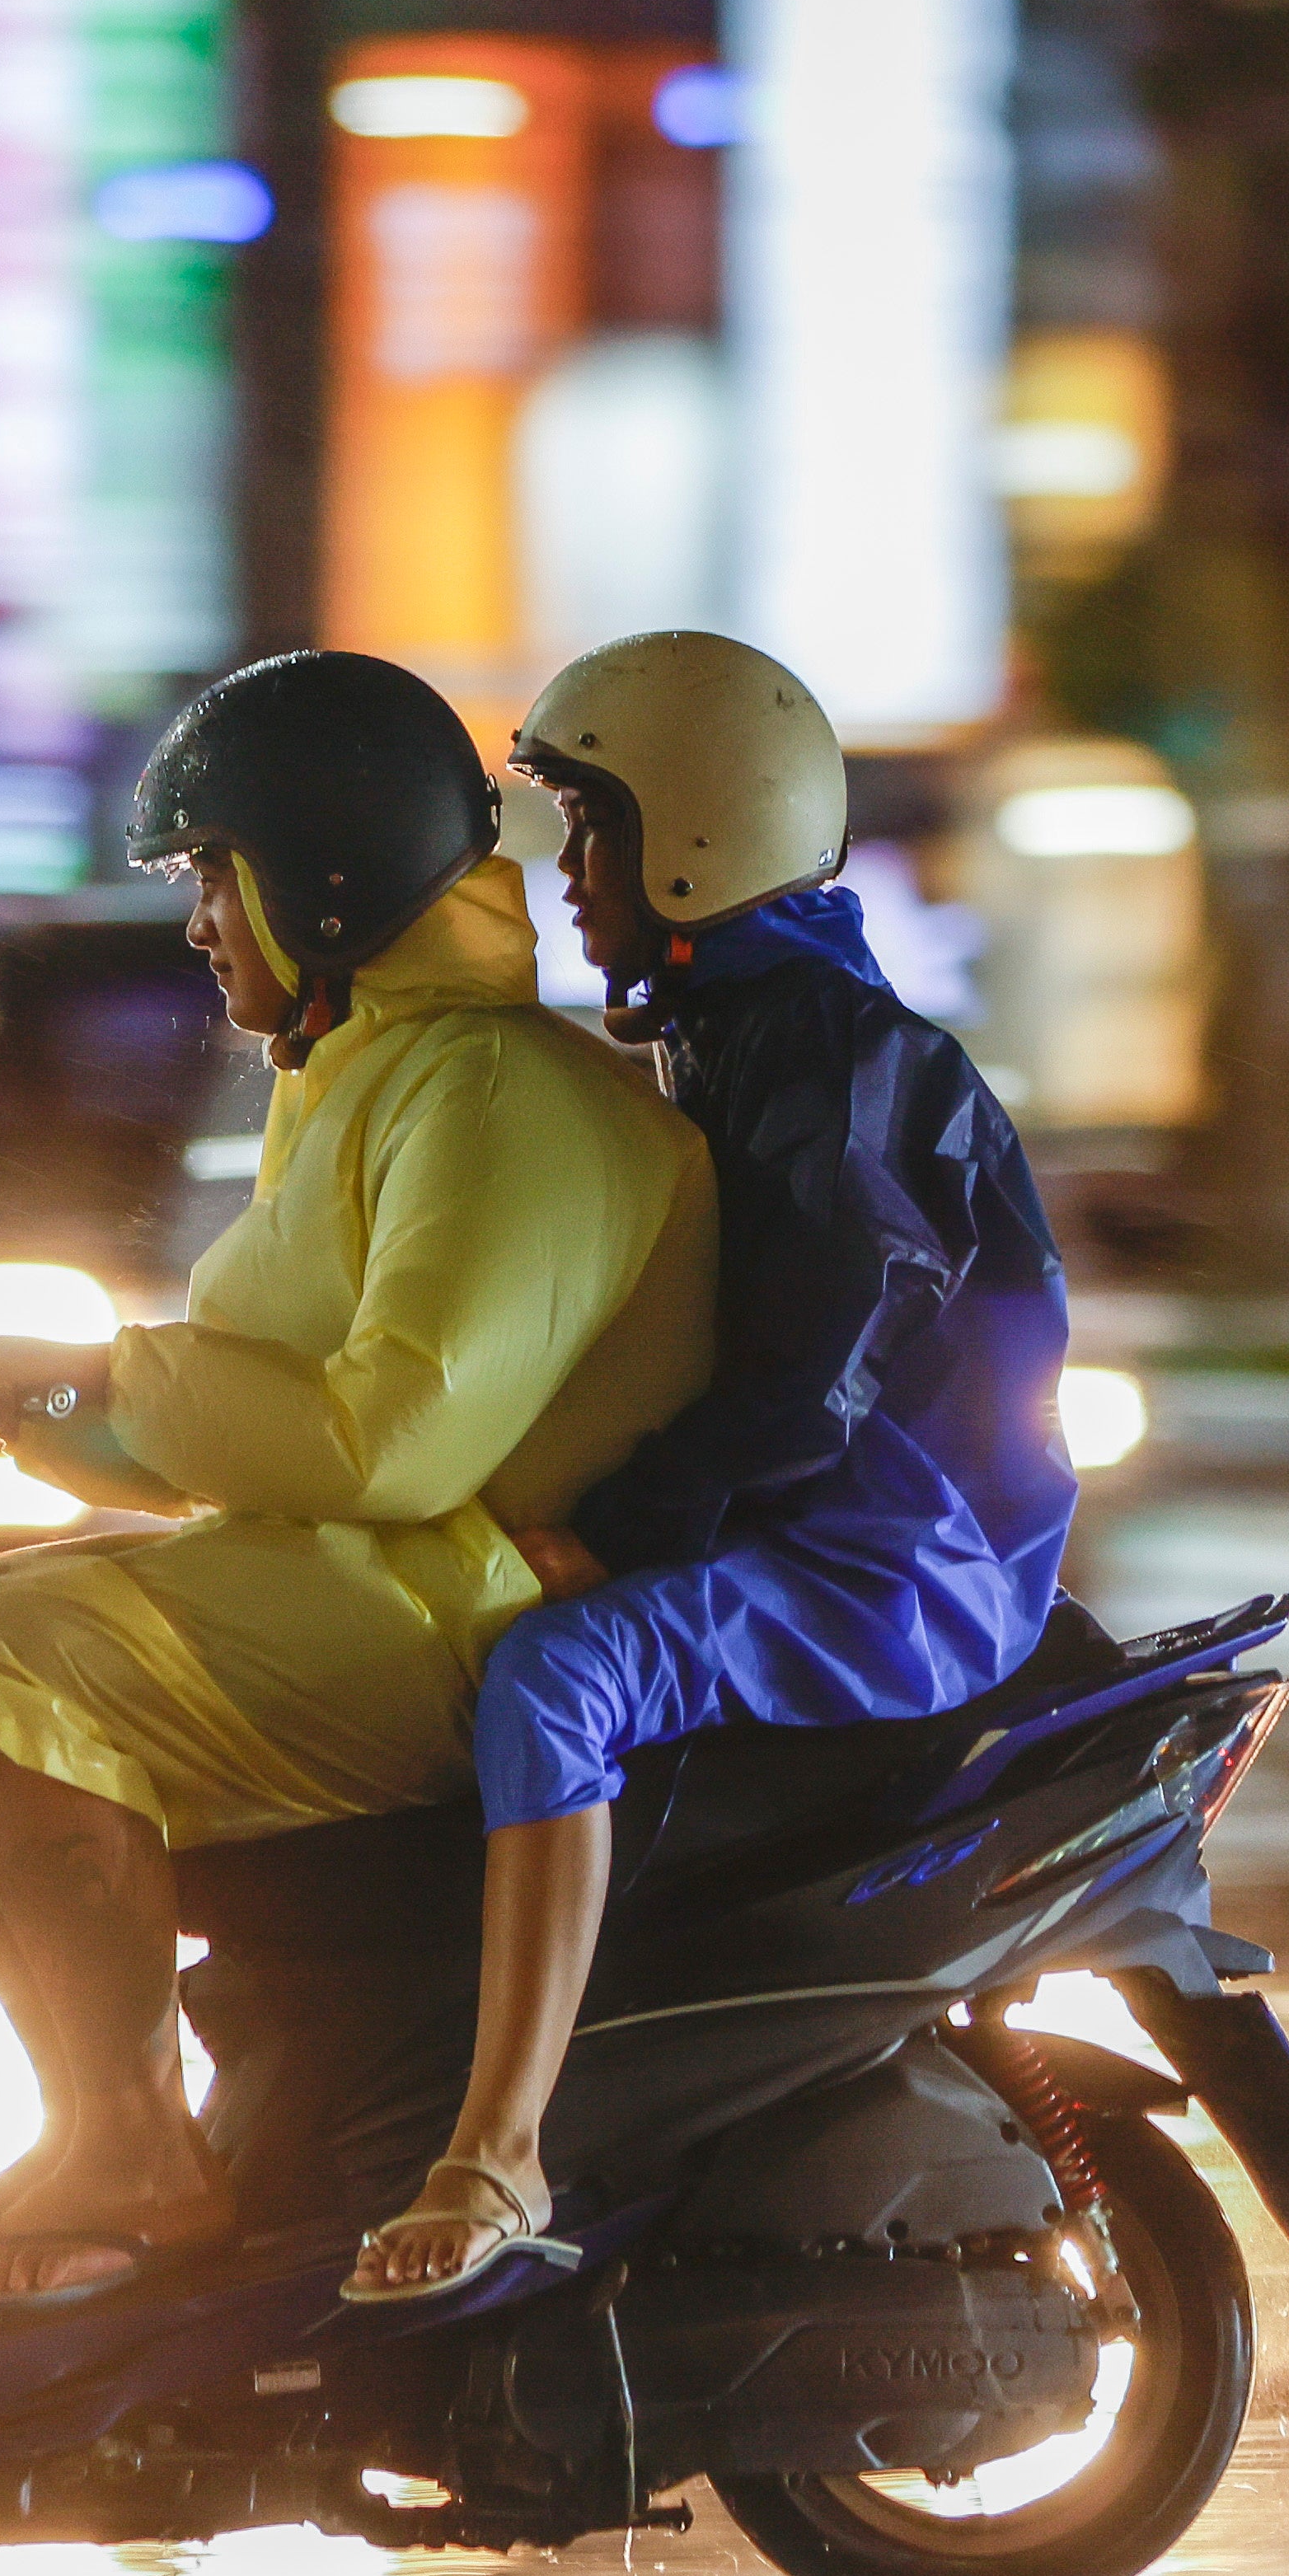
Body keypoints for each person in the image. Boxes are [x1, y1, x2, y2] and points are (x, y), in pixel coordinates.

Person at [0, 650, 713, 2304]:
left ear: (317, 879)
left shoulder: (496, 1092)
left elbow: (387, 1443)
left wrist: (113, 1372)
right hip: (375, 1580)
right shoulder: (358, 1079)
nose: (198, 922)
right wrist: (30, 1420)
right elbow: (264, 1426)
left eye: (212, 876)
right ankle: (98, 2119)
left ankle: (132, 2144)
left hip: (471, 1606)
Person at [349, 634, 1077, 2303]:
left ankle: (500, 2151)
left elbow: (809, 1377)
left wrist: (618, 1530)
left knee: (553, 1676)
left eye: (591, 833)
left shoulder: (826, 1056)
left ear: (698, 833)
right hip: (836, 1534)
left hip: (895, 1564)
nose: (568, 879)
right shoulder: (734, 1032)